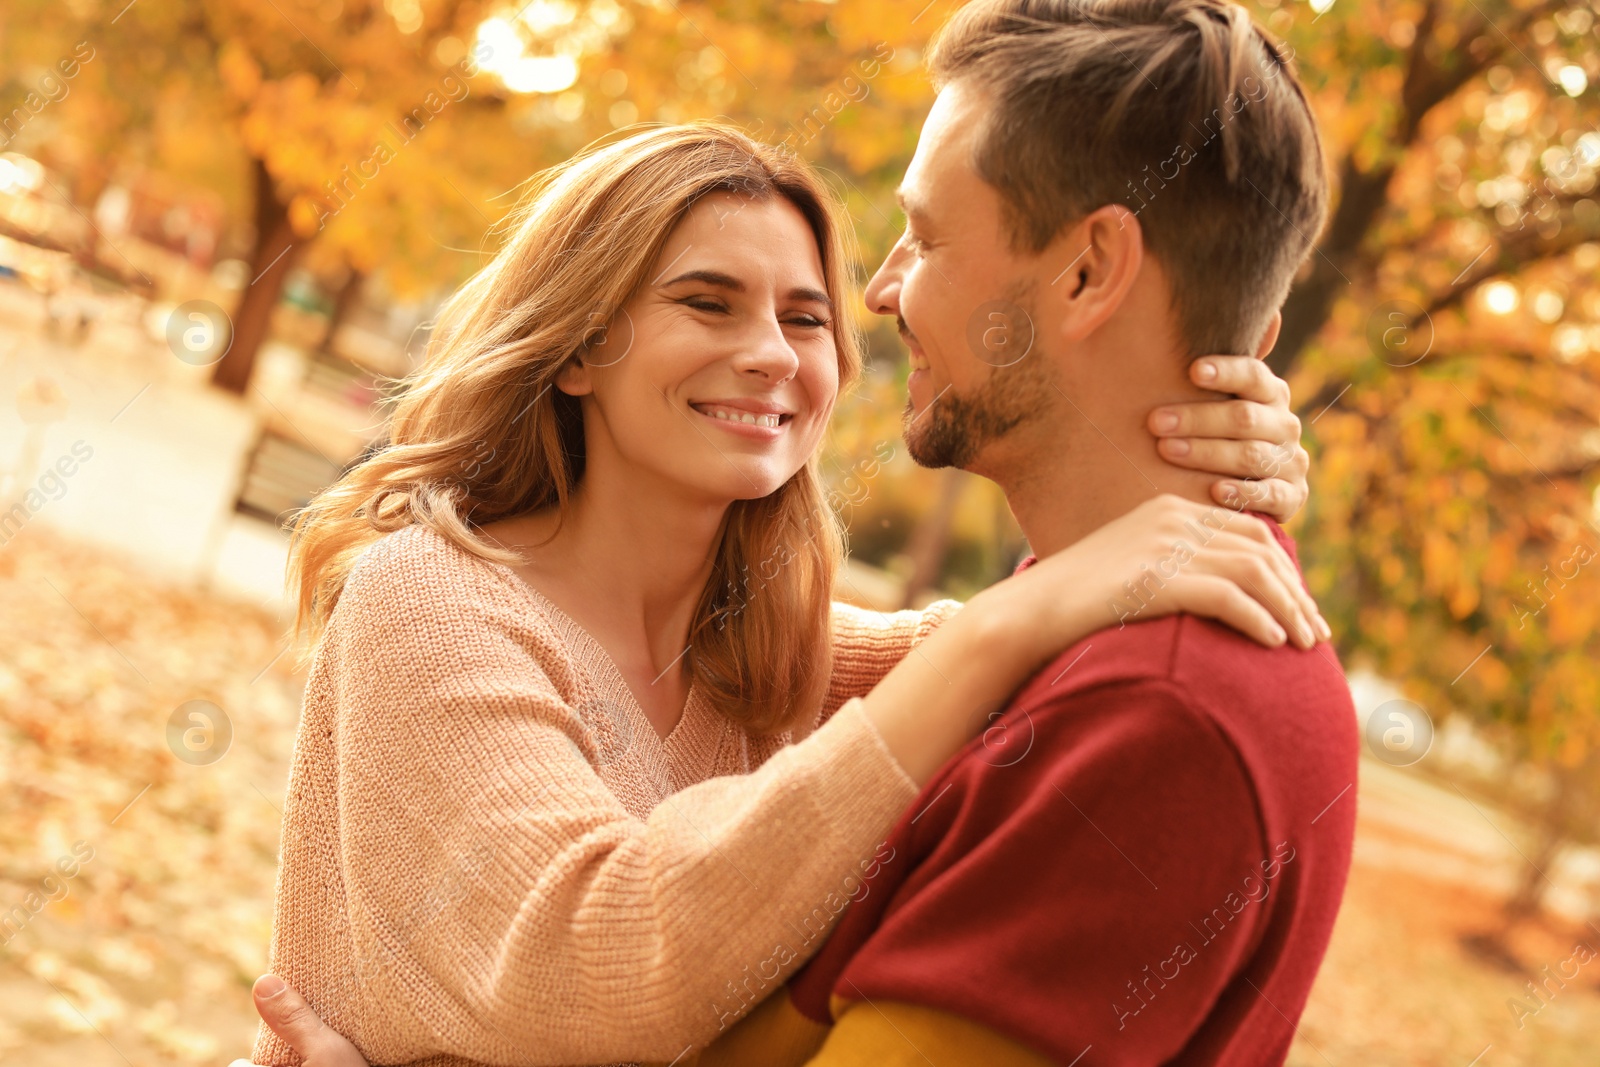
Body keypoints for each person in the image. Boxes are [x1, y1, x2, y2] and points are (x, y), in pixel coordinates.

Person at [244, 19, 1329, 1067]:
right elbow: (601, 949)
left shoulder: (760, 651)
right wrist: (1024, 604)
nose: (771, 352)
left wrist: (1211, 433)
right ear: (577, 348)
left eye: (805, 318)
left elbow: (1049, 649)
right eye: (707, 303)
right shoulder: (429, 604)